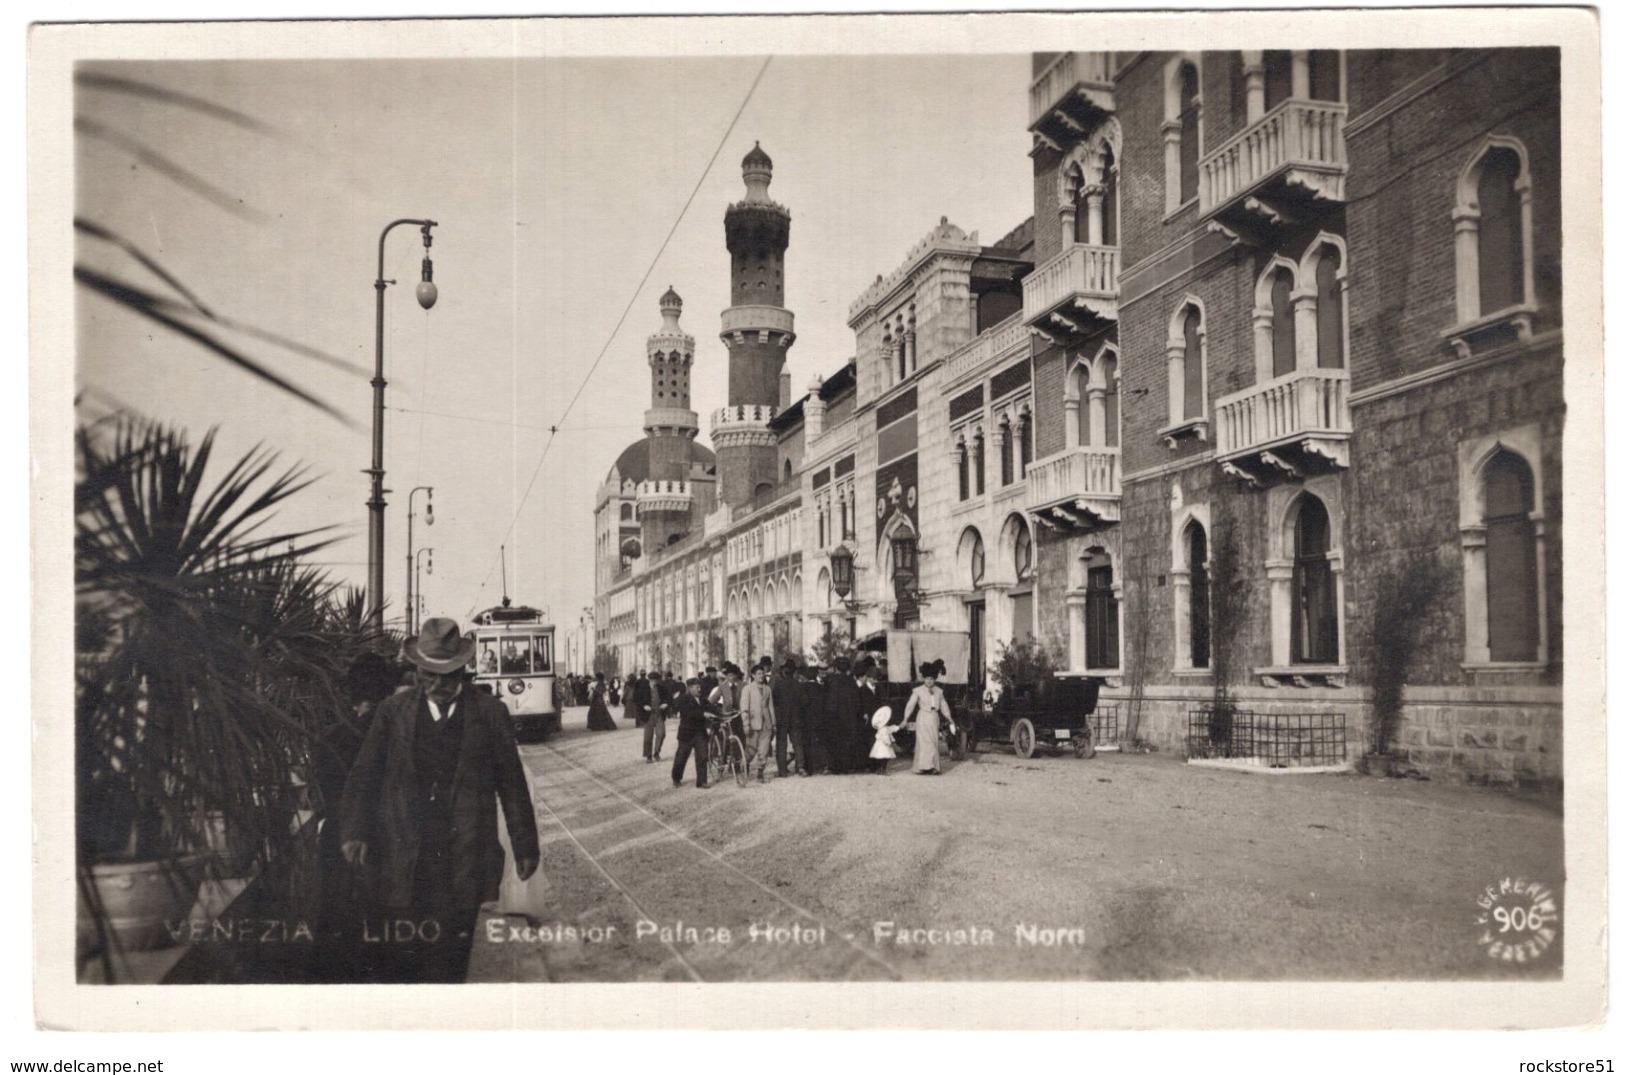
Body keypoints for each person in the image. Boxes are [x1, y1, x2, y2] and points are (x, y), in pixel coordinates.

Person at [339, 617, 539, 983]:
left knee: (453, 954)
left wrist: (525, 845)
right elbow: (364, 774)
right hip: (403, 853)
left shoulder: (490, 713)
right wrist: (355, 831)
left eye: (449, 675)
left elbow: (511, 782)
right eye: (429, 674)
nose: (439, 684)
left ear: (463, 670)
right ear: (416, 670)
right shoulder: (392, 713)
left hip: (464, 854)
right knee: (405, 955)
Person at [310, 652, 396, 983]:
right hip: (383, 838)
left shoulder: (329, 736)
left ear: (349, 694)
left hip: (335, 837)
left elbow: (323, 791)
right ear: (386, 693)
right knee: (381, 926)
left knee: (334, 917)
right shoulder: (394, 737)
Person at [903, 659, 958, 776]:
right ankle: (924, 767)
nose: (929, 681)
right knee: (924, 742)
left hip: (934, 718)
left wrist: (949, 718)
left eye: (931, 679)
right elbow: (910, 705)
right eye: (927, 678)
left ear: (935, 679)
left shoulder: (939, 691)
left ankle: (933, 767)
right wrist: (905, 718)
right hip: (922, 717)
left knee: (933, 742)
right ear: (923, 678)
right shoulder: (917, 691)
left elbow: (944, 706)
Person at [670, 677, 716, 789]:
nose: (699, 689)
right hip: (687, 734)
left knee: (702, 756)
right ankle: (676, 778)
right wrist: (703, 714)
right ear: (690, 688)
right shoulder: (683, 699)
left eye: (699, 687)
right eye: (696, 687)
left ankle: (702, 781)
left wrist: (723, 713)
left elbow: (712, 708)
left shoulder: (703, 699)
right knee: (681, 757)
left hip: (700, 733)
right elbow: (689, 712)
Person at [739, 659, 776, 783]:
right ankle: (744, 768)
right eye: (758, 674)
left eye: (762, 673)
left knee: (764, 750)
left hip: (766, 725)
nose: (761, 676)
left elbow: (770, 707)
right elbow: (744, 707)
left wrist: (773, 723)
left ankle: (760, 773)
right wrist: (746, 724)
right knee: (750, 750)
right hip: (753, 724)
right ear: (753, 675)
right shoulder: (747, 689)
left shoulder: (767, 689)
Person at [822, 655, 860, 774]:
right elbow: (857, 701)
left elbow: (826, 699)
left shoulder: (830, 680)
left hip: (833, 716)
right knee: (847, 741)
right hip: (849, 717)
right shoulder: (852, 682)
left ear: (836, 668)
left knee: (834, 741)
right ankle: (847, 766)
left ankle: (835, 766)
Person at [772, 658, 805, 777]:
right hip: (796, 718)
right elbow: (803, 702)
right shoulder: (798, 685)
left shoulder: (778, 685)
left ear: (785, 672)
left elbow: (774, 702)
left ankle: (782, 770)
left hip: (781, 719)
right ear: (794, 672)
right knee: (797, 743)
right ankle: (800, 767)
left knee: (781, 744)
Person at [797, 663, 829, 774]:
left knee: (808, 743)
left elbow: (803, 703)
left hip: (807, 720)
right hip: (820, 719)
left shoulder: (803, 687)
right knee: (821, 742)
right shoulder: (820, 687)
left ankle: (809, 768)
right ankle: (824, 765)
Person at [854, 657, 883, 773]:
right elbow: (860, 704)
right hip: (868, 719)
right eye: (873, 679)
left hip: (878, 718)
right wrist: (864, 714)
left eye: (877, 679)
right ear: (868, 677)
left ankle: (876, 764)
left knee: (877, 741)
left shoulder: (879, 689)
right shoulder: (862, 690)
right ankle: (868, 764)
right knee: (867, 741)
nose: (875, 681)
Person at [868, 705, 898, 776]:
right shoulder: (884, 729)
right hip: (884, 746)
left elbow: (891, 728)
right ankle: (883, 770)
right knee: (885, 758)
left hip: (879, 745)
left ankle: (880, 769)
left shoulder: (883, 728)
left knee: (881, 758)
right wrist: (889, 743)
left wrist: (898, 727)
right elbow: (885, 737)